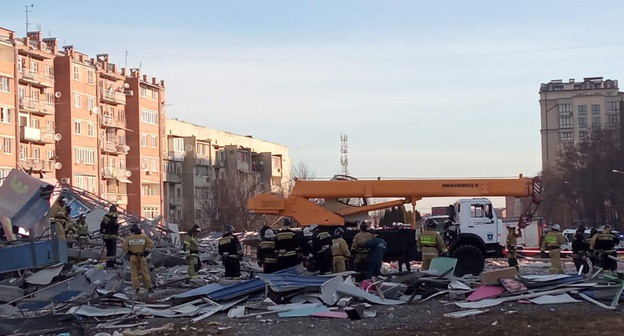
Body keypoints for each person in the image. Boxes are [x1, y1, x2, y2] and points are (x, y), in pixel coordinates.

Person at [122, 224, 154, 293]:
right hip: (142, 257)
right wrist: (146, 252)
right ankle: (149, 287)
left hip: (133, 257)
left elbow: (124, 247)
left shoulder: (129, 238)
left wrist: (129, 252)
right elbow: (151, 244)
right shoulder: (144, 237)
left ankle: (136, 288)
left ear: (132, 231)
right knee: (144, 272)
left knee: (134, 274)